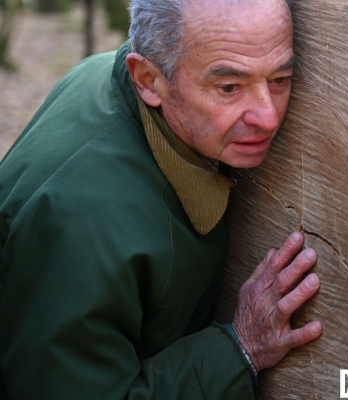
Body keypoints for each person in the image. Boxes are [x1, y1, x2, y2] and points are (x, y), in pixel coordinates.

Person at [0, 0, 322, 398]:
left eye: (280, 78)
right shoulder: (84, 225)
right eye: (229, 87)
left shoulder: (103, 70)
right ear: (149, 80)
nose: (268, 116)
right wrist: (239, 349)